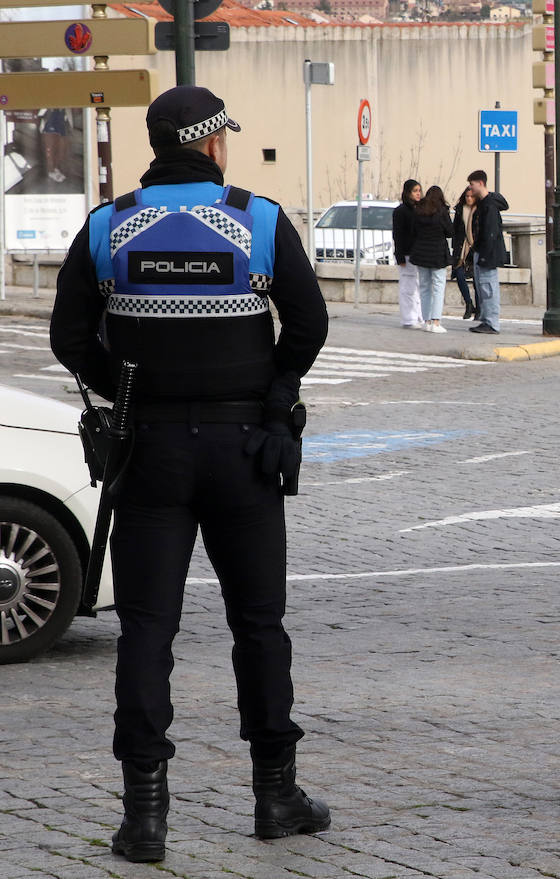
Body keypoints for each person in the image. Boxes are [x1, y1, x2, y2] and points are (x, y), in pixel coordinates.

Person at [48, 85, 330, 863]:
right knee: (259, 627)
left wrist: (124, 387)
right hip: (244, 448)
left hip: (151, 452)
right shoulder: (260, 219)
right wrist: (274, 398)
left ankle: (144, 816)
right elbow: (309, 323)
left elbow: (67, 333)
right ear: (212, 143)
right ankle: (276, 794)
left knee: (146, 629)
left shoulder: (108, 225)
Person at [466, 169, 508, 334]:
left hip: (487, 254)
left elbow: (490, 232)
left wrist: (484, 254)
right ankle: (486, 320)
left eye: (472, 184)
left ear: (480, 183)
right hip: (482, 252)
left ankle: (491, 323)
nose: (470, 188)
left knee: (488, 288)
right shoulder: (484, 204)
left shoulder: (489, 205)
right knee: (483, 288)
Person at [410, 185, 453, 333]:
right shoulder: (442, 212)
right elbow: (450, 232)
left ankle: (427, 321)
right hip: (437, 254)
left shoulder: (418, 211)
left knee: (424, 287)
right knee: (438, 287)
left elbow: (413, 231)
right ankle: (436, 321)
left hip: (421, 253)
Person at [393, 178, 423, 328]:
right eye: (415, 191)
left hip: (418, 254)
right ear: (408, 192)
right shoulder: (401, 211)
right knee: (407, 287)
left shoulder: (421, 209)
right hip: (406, 254)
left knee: (418, 287)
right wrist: (399, 256)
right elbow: (397, 235)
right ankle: (409, 318)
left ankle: (419, 316)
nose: (418, 194)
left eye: (419, 191)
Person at [451, 185, 479, 321]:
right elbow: (455, 230)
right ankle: (468, 304)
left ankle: (479, 308)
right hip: (461, 249)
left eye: (471, 196)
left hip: (474, 248)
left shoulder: (479, 210)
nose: (469, 198)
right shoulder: (460, 210)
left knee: (477, 280)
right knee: (460, 275)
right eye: (467, 196)